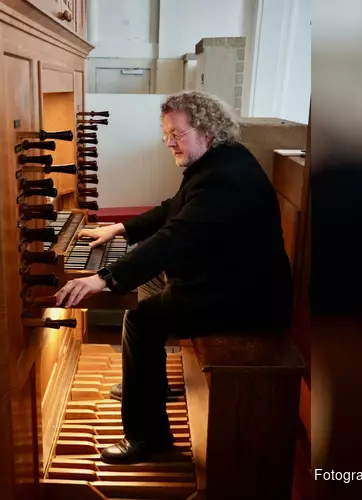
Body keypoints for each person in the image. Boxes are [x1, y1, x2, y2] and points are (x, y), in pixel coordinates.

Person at [54, 90, 292, 464]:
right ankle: (152, 385)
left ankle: (149, 438)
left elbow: (178, 235)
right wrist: (122, 229)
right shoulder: (221, 161)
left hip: (245, 298)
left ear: (207, 131)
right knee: (152, 287)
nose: (169, 143)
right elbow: (175, 208)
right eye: (166, 134)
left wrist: (105, 277)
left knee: (140, 320)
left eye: (176, 134)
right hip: (231, 282)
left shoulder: (226, 178)